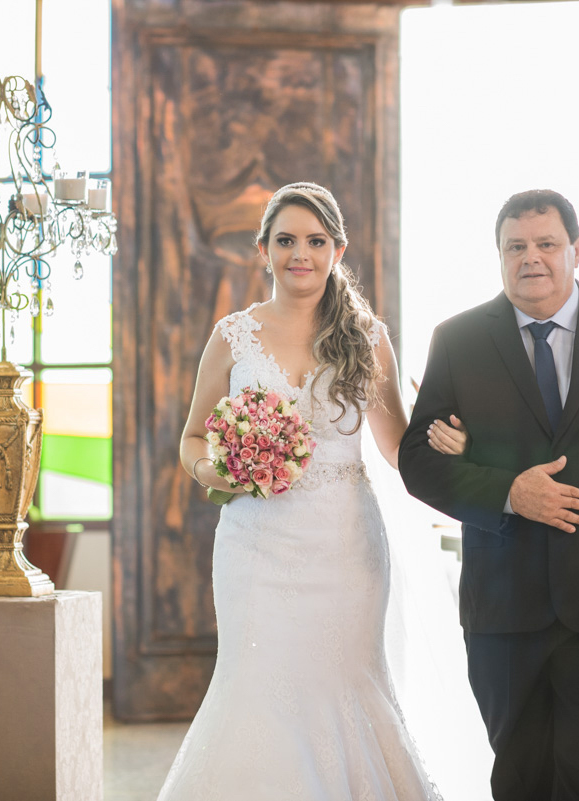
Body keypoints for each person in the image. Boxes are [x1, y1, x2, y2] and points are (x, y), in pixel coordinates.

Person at [162, 182, 465, 800]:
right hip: (255, 544)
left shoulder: (367, 336)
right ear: (264, 250)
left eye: (315, 241)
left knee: (344, 684)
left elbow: (394, 447)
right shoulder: (232, 336)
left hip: (346, 545)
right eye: (286, 240)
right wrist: (220, 473)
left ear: (337, 249)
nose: (301, 253)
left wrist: (452, 441)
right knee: (255, 683)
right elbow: (193, 438)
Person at [398, 189, 579, 801]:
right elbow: (416, 462)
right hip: (503, 606)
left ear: (576, 249)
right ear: (498, 255)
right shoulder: (458, 340)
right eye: (515, 247)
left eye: (546, 244)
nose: (531, 258)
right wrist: (508, 492)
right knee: (519, 776)